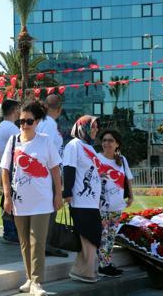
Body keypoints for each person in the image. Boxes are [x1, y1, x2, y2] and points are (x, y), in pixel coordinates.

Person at [1, 101, 63, 296]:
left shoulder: (45, 141)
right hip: (20, 201)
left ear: (37, 122)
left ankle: (37, 282)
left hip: (42, 201)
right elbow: (4, 169)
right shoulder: (13, 141)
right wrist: (7, 197)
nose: (24, 125)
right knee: (24, 242)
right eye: (21, 121)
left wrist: (58, 194)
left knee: (38, 241)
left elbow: (55, 169)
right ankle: (29, 278)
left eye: (29, 121)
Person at [62, 115, 102, 283]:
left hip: (92, 201)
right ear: (82, 127)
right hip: (80, 199)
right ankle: (84, 272)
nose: (96, 130)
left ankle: (84, 269)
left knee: (93, 234)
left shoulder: (90, 147)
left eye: (96, 127)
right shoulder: (74, 145)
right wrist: (67, 192)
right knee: (89, 235)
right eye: (92, 126)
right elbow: (69, 169)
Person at [97, 130, 134, 277]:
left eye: (110, 140)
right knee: (103, 236)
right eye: (104, 140)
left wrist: (131, 196)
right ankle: (103, 266)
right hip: (101, 206)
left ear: (117, 144)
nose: (107, 143)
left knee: (111, 237)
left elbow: (128, 179)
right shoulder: (97, 158)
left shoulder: (122, 160)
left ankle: (106, 263)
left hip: (117, 205)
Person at [36, 94, 68, 258]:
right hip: (48, 172)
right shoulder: (48, 123)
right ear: (59, 108)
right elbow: (46, 149)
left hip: (45, 172)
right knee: (50, 209)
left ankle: (43, 244)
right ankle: (44, 245)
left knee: (47, 210)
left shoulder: (43, 122)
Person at [0, 99, 20, 243]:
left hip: (4, 167)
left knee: (7, 197)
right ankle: (11, 231)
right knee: (12, 200)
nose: (19, 112)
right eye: (18, 109)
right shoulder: (13, 128)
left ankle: (9, 230)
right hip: (12, 168)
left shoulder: (0, 127)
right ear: (13, 110)